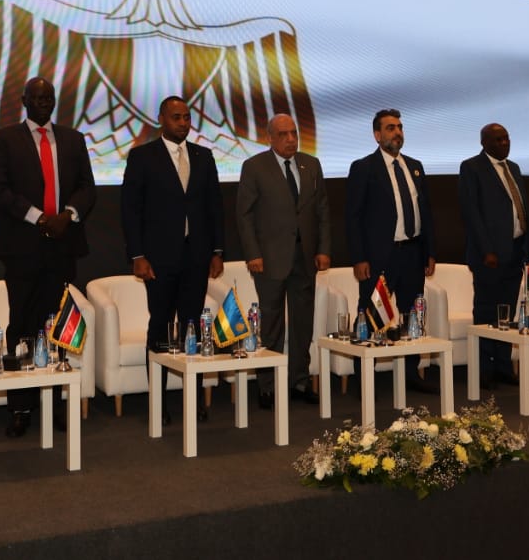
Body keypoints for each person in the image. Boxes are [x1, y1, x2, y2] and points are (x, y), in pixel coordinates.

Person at [0, 77, 96, 437]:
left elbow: (87, 187)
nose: (43, 103)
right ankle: (20, 407)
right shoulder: (4, 139)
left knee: (57, 327)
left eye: (48, 98)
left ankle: (54, 404)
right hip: (21, 248)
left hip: (62, 246)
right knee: (22, 326)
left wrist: (68, 215)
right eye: (36, 98)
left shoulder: (73, 139)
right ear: (24, 101)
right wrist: (38, 217)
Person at [121, 95, 224, 421]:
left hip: (196, 257)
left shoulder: (204, 156)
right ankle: (159, 402)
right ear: (161, 119)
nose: (183, 123)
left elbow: (214, 207)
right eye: (176, 117)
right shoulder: (142, 156)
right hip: (158, 259)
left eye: (187, 117)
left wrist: (217, 251)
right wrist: (138, 255)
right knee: (161, 329)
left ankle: (194, 399)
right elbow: (130, 210)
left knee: (193, 328)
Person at [236, 114, 331, 409]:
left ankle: (299, 381)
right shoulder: (254, 167)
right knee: (272, 324)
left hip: (305, 258)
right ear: (270, 138)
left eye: (294, 133)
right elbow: (244, 215)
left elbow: (322, 211)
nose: (291, 139)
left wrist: (323, 249)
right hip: (269, 260)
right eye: (283, 134)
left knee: (303, 323)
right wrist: (253, 253)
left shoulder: (311, 165)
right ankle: (268, 386)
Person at [345, 108, 437, 392]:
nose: (397, 132)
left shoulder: (415, 166)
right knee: (372, 315)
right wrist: (359, 257)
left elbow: (426, 212)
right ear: (377, 135)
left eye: (399, 127)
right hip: (379, 257)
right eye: (390, 128)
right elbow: (353, 217)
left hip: (412, 253)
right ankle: (364, 378)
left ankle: (411, 373)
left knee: (412, 315)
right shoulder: (364, 168)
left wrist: (429, 252)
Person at [458, 122, 529, 389]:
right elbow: (471, 212)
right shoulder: (472, 167)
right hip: (489, 255)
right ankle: (484, 369)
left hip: (515, 250)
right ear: (484, 143)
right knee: (486, 311)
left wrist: (527, 250)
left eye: (507, 138)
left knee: (506, 312)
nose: (505, 143)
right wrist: (486, 250)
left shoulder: (514, 168)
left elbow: (521, 209)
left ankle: (503, 365)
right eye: (498, 140)